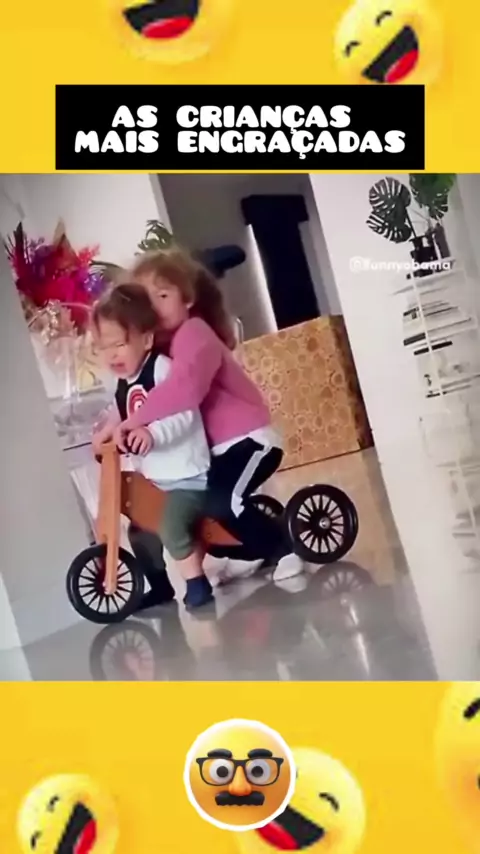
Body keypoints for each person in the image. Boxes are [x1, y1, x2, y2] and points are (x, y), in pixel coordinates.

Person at [112, 248, 305, 592]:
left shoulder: (194, 334)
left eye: (163, 295)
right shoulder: (157, 352)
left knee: (222, 501)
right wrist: (114, 426)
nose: (155, 306)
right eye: (147, 299)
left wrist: (135, 420)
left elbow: (183, 389)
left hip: (248, 440)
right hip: (213, 452)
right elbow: (139, 391)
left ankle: (283, 549)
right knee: (193, 510)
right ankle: (245, 553)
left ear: (187, 299)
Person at [91, 283, 216, 610]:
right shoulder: (124, 381)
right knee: (140, 530)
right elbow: (122, 411)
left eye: (119, 344)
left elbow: (184, 413)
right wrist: (107, 431)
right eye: (103, 347)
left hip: (187, 478)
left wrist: (153, 434)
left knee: (171, 527)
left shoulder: (161, 369)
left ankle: (197, 583)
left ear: (146, 340)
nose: (112, 355)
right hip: (155, 480)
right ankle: (159, 585)